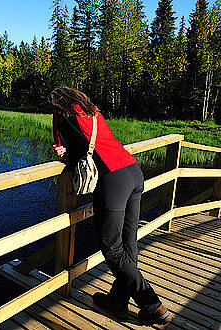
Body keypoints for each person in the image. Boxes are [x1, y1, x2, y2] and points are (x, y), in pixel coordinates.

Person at [49, 87, 172, 326]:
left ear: (58, 104)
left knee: (112, 248)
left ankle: (152, 304)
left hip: (113, 179)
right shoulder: (92, 112)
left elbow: (77, 155)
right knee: (128, 243)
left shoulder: (65, 118)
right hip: (133, 172)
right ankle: (118, 301)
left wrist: (63, 154)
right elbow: (93, 145)